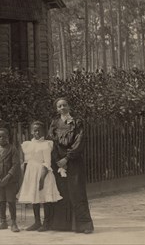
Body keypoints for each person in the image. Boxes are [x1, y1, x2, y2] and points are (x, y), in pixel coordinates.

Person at [48, 98, 94, 234]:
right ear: (56, 109)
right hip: (58, 163)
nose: (62, 108)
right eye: (59, 106)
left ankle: (84, 225)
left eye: (64, 105)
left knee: (76, 191)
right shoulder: (54, 123)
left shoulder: (77, 122)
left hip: (74, 161)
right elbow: (52, 142)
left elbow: (79, 141)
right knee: (62, 192)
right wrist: (58, 160)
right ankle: (63, 224)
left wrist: (67, 158)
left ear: (69, 106)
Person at [18, 120, 62, 231]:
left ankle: (47, 222)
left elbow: (47, 162)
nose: (37, 133)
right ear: (31, 131)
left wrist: (41, 179)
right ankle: (37, 222)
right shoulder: (28, 144)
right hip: (31, 173)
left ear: (44, 131)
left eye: (39, 130)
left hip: (43, 173)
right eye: (35, 130)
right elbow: (27, 161)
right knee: (34, 198)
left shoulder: (46, 144)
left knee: (45, 198)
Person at [0, 128, 20, 233]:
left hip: (10, 181)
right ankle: (3, 221)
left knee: (11, 201)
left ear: (8, 138)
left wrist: (8, 177)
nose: (2, 139)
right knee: (1, 200)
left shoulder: (13, 149)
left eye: (4, 136)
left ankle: (14, 222)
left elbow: (15, 165)